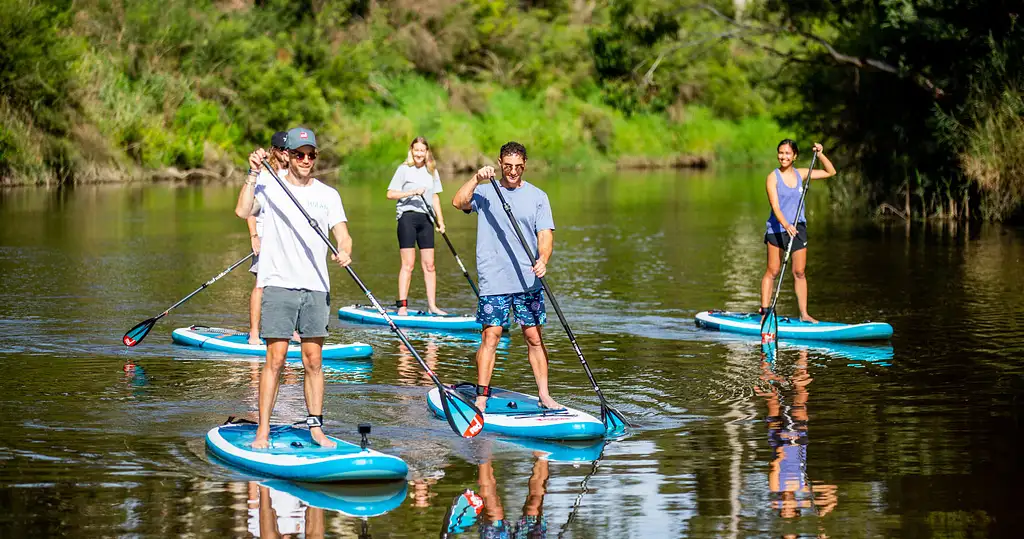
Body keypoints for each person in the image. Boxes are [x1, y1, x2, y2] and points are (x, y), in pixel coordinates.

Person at [234, 126, 352, 449]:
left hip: (315, 287)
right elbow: (243, 211)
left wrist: (344, 248)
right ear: (288, 155)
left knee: (314, 360)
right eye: (299, 154)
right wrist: (252, 173)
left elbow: (343, 232)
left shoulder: (328, 195)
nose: (305, 160)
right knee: (276, 359)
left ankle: (316, 429)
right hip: (279, 285)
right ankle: (263, 431)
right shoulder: (270, 185)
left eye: (310, 155)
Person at [452, 141, 561, 412]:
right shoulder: (487, 193)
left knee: (534, 337)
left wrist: (543, 259)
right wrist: (476, 179)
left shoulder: (538, 196)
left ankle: (544, 395)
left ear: (525, 165)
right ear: (501, 163)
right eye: (508, 166)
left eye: (518, 167)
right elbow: (458, 202)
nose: (513, 171)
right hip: (494, 279)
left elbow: (545, 234)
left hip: (527, 280)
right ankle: (481, 396)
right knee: (492, 336)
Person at [760, 140, 836, 323]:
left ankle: (804, 314)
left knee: (800, 272)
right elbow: (775, 206)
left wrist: (820, 154)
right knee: (773, 270)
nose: (783, 156)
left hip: (798, 227)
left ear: (794, 156)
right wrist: (786, 225)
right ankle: (765, 313)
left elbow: (830, 171)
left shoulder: (801, 173)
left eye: (787, 153)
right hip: (778, 228)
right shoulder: (773, 177)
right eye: (780, 153)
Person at [386, 136, 448, 316]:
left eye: (422, 150)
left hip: (427, 220)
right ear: (412, 150)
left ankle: (433, 306)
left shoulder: (432, 171)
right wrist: (411, 192)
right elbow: (390, 194)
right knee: (408, 264)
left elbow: (435, 197)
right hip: (407, 218)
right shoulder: (404, 169)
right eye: (416, 150)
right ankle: (402, 306)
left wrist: (441, 221)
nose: (419, 153)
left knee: (430, 265)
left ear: (427, 152)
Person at [247, 131, 292, 345]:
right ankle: (255, 333)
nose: (286, 154)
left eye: (289, 150)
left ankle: (290, 331)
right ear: (274, 151)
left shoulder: (296, 177)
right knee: (261, 285)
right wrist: (254, 236)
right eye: (282, 150)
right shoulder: (263, 177)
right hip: (265, 237)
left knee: (291, 286)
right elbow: (249, 209)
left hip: (289, 240)